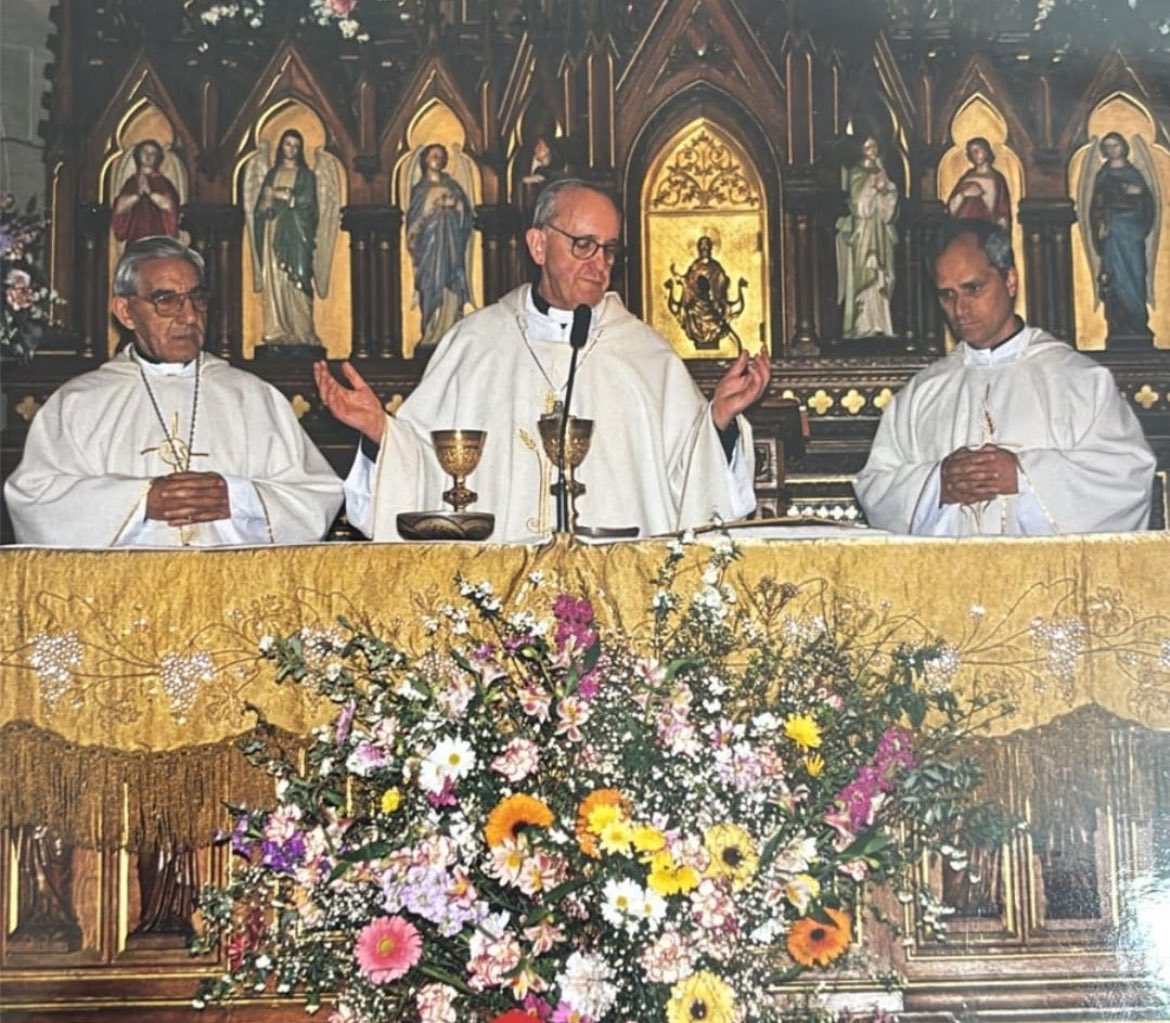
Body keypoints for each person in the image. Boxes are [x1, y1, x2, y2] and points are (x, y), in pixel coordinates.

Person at [314, 179, 771, 542]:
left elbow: (693, 482)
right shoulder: (476, 344)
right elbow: (422, 472)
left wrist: (719, 421)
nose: (600, 264)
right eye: (583, 244)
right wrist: (379, 433)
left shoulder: (645, 355)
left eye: (609, 249)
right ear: (538, 245)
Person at [4, 236, 343, 546]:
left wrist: (238, 498)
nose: (189, 316)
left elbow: (316, 496)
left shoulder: (253, 398)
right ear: (126, 311)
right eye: (166, 300)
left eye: (197, 298)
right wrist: (140, 501)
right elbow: (34, 500)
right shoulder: (79, 404)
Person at [853, 219, 1154, 535]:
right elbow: (876, 488)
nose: (960, 309)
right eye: (947, 295)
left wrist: (1025, 477)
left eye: (973, 288)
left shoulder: (1080, 382)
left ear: (1010, 280)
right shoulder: (922, 394)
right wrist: (935, 485)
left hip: (1050, 580)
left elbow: (1128, 478)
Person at [252, 129, 324, 347]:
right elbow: (261, 210)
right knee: (275, 279)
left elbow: (309, 205)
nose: (291, 149)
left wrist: (281, 194)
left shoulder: (306, 175)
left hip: (297, 235)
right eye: (287, 144)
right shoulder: (271, 174)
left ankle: (303, 333)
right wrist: (266, 204)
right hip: (273, 232)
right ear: (280, 147)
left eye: (295, 145)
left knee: (300, 277)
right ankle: (277, 331)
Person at [406, 143, 475, 347]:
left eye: (440, 155)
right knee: (430, 286)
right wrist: (433, 206)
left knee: (450, 286)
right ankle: (431, 332)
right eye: (432, 155)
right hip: (429, 248)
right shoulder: (419, 189)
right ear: (424, 159)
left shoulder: (453, 186)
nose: (436, 158)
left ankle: (450, 331)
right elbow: (414, 222)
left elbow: (467, 216)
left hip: (452, 246)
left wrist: (455, 206)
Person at [1089, 131, 1155, 342]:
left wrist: (1134, 195)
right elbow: (1096, 206)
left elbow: (1147, 205)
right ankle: (1119, 325)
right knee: (1115, 276)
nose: (1111, 150)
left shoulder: (1134, 173)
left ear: (1123, 147)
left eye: (1115, 145)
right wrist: (1100, 224)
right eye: (1107, 147)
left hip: (1132, 233)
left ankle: (1137, 323)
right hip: (1113, 233)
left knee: (1135, 274)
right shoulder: (1103, 175)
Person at [836, 136, 899, 338]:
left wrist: (886, 191)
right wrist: (873, 185)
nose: (873, 149)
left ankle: (881, 323)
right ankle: (863, 325)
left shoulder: (881, 172)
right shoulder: (857, 172)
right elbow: (860, 206)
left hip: (880, 231)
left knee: (884, 275)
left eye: (874, 145)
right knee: (866, 273)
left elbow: (890, 210)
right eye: (868, 146)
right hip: (864, 232)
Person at [665, 235, 747, 352]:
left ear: (710, 248)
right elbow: (689, 281)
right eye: (701, 246)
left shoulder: (715, 267)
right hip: (698, 303)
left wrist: (714, 291)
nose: (704, 248)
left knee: (717, 315)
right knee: (690, 310)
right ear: (698, 248)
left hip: (713, 303)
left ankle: (713, 332)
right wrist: (680, 278)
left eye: (706, 245)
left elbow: (722, 281)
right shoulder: (695, 266)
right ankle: (699, 334)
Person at [111, 139, 182, 244]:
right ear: (138, 155)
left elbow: (169, 206)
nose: (148, 156)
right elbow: (120, 207)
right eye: (144, 152)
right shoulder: (131, 183)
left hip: (159, 241)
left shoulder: (163, 183)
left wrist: (150, 193)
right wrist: (137, 195)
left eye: (152, 153)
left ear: (157, 158)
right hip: (135, 241)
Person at [945, 136, 1012, 231]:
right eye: (972, 152)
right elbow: (952, 208)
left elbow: (1002, 206)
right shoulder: (967, 177)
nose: (975, 155)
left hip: (986, 224)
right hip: (963, 224)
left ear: (986, 151)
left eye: (978, 150)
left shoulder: (996, 178)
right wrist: (964, 194)